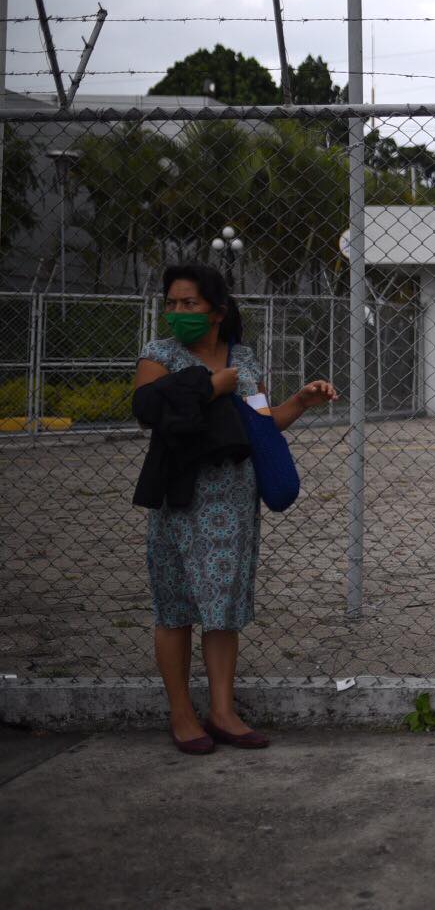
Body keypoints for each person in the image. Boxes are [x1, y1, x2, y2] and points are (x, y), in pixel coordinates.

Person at [133, 263, 337, 754]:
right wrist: (209, 386)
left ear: (218, 312)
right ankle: (182, 714)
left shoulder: (243, 360)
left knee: (223, 608)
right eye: (173, 303)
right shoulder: (158, 354)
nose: (178, 312)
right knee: (176, 605)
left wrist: (301, 401)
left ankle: (222, 711)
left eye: (190, 304)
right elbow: (147, 411)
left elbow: (260, 426)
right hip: (180, 497)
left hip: (233, 500)